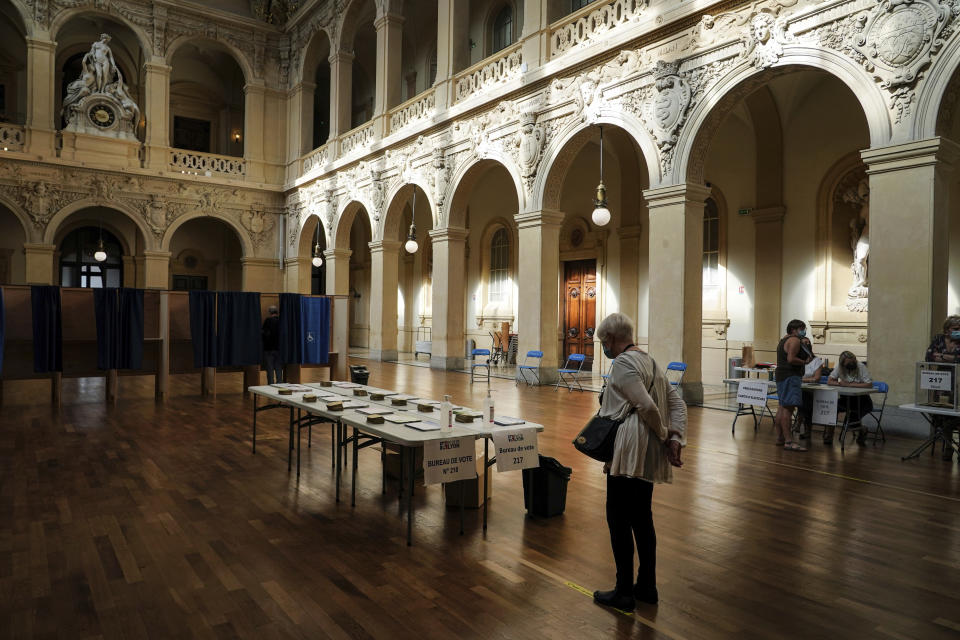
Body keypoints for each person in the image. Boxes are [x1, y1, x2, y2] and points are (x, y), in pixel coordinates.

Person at [592, 313, 686, 612]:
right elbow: (677, 403)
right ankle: (647, 586)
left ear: (609, 339)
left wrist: (662, 434)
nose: (603, 348)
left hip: (632, 447)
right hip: (649, 449)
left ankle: (623, 592)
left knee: (618, 519)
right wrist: (675, 439)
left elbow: (645, 405)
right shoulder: (651, 361)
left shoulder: (621, 363)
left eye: (602, 342)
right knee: (642, 518)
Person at [925, 315, 960, 461]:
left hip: (958, 381)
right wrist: (951, 357)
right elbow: (929, 356)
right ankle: (948, 447)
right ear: (947, 330)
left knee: (957, 415)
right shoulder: (938, 339)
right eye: (956, 329)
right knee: (942, 415)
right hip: (941, 382)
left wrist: (942, 355)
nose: (959, 331)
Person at [775, 319, 811, 451]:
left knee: (782, 407)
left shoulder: (783, 340)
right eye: (802, 328)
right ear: (794, 330)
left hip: (781, 375)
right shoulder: (794, 340)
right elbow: (791, 359)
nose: (804, 331)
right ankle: (789, 441)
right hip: (790, 376)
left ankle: (780, 438)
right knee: (788, 409)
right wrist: (804, 362)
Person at [826, 351, 874, 445]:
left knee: (850, 422)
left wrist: (849, 385)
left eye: (853, 361)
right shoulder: (839, 367)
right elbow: (830, 381)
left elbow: (869, 384)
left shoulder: (861, 367)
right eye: (849, 363)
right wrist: (839, 383)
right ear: (842, 364)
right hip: (846, 399)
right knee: (832, 407)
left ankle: (862, 430)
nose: (852, 364)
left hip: (862, 400)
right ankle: (829, 435)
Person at [797, 337, 827, 439]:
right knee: (801, 399)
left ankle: (805, 428)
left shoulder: (816, 360)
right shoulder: (796, 360)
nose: (808, 344)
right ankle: (798, 424)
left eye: (809, 343)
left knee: (806, 401)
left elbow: (816, 378)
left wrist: (801, 380)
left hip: (812, 390)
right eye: (805, 343)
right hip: (798, 388)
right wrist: (807, 379)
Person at [261, 306, 282, 385]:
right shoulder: (281, 321)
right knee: (278, 368)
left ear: (270, 312)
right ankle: (280, 385)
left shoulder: (268, 320)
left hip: (268, 348)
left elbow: (264, 333)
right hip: (279, 348)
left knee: (269, 369)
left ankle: (271, 386)